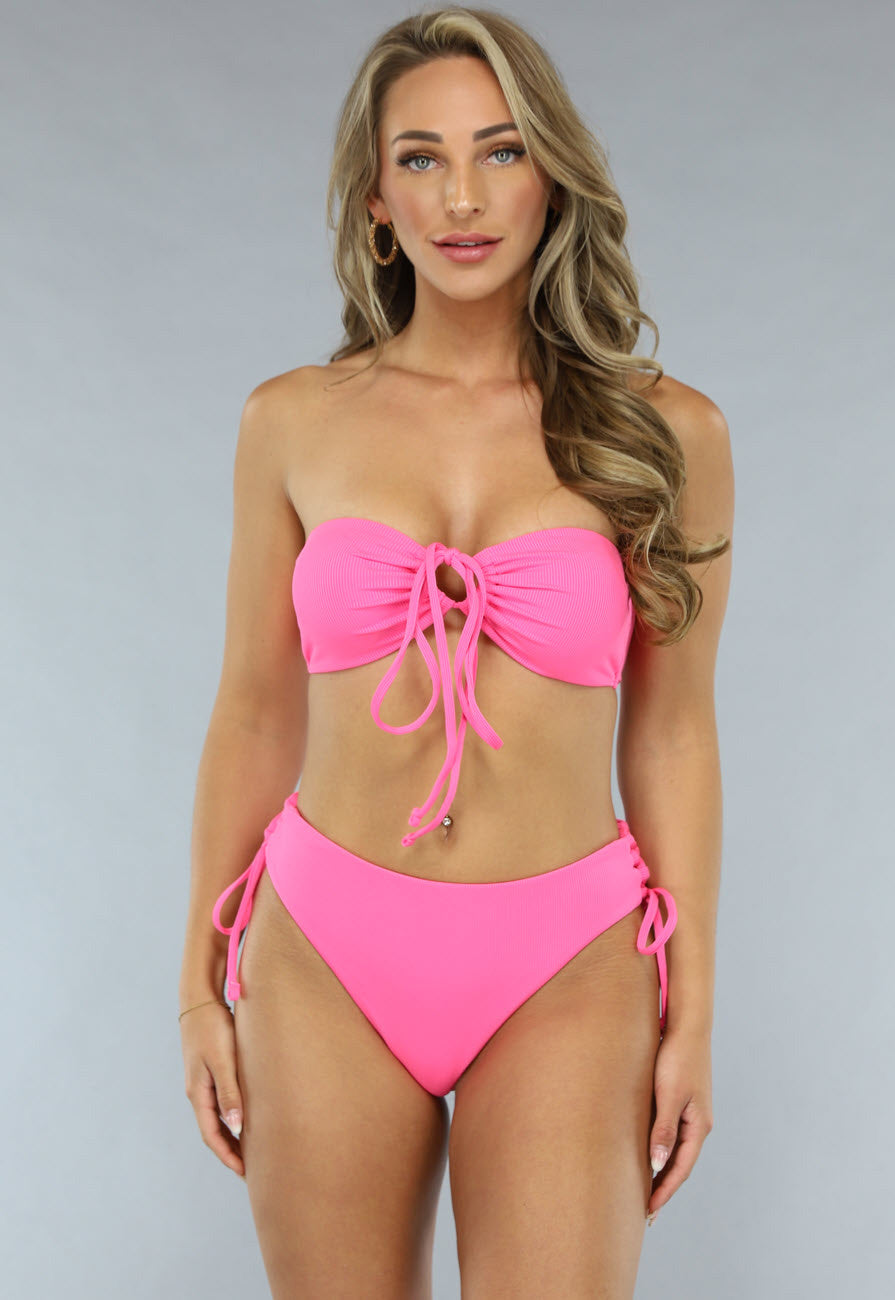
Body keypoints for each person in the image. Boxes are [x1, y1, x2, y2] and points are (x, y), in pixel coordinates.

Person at [178, 7, 734, 1296]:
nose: (463, 197)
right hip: (322, 947)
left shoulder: (669, 435)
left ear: (554, 176)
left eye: (501, 150)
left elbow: (674, 732)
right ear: (377, 200)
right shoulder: (292, 421)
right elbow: (254, 711)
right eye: (420, 158)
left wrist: (694, 1011)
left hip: (569, 959)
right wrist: (198, 989)